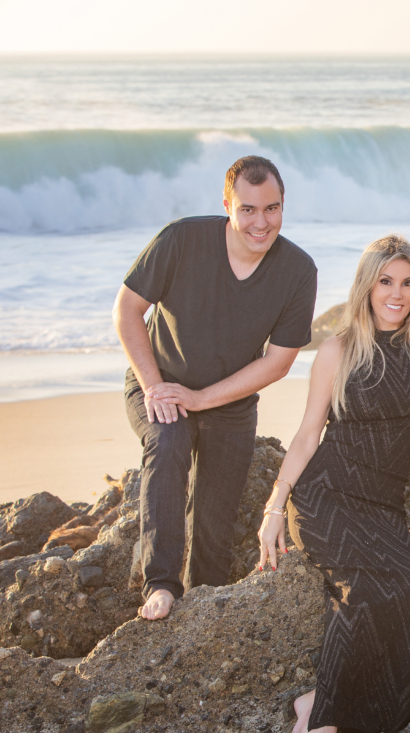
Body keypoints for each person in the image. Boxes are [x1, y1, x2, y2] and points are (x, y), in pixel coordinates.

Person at [257, 237, 410, 733]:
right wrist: (275, 506)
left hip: (383, 505)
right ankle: (322, 722)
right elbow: (308, 432)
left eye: (407, 283)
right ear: (367, 286)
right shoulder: (339, 349)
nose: (396, 294)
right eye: (385, 282)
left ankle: (320, 700)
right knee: (364, 592)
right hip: (325, 497)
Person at [113, 156, 317, 621]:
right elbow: (126, 312)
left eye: (272, 208)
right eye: (248, 209)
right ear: (227, 204)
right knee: (167, 441)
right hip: (160, 382)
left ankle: (203, 603)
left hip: (229, 404)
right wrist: (157, 388)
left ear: (283, 206)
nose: (260, 222)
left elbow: (278, 361)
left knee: (215, 517)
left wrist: (203, 399)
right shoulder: (182, 240)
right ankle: (161, 585)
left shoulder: (298, 270)